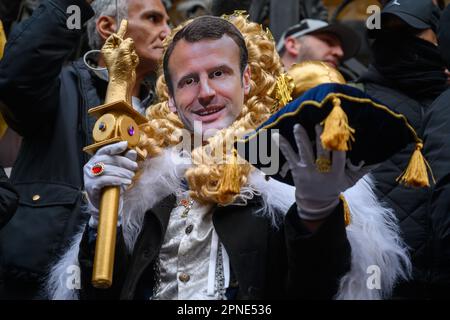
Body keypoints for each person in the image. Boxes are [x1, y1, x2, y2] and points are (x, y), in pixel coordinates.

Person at [46, 14, 410, 300]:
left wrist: (315, 214)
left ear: (246, 81)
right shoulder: (145, 184)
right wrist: (99, 219)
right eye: (188, 81)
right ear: (170, 99)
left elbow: (313, 291)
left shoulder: (284, 176)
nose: (205, 93)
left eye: (219, 74)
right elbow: (101, 294)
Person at [0, 0, 170, 299]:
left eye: (167, 22)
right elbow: (17, 76)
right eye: (153, 19)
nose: (166, 32)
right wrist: (73, 4)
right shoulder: (59, 86)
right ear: (107, 27)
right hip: (35, 280)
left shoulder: (165, 114)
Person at [355, 0, 449, 299]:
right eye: (388, 32)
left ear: (438, 37)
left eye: (409, 31)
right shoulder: (355, 101)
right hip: (379, 282)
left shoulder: (444, 101)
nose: (397, 41)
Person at [276, 19, 360, 71]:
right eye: (328, 41)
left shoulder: (339, 96)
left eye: (341, 48)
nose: (340, 53)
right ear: (293, 45)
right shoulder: (264, 93)